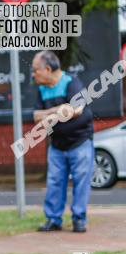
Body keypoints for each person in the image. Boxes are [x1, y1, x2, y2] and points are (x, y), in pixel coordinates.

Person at [31, 50, 93, 233]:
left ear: (48, 69)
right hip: (57, 145)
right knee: (55, 183)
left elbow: (77, 109)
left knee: (81, 182)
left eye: (36, 70)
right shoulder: (41, 89)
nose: (33, 74)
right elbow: (36, 116)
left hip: (79, 142)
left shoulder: (71, 82)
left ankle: (79, 219)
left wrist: (49, 112)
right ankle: (53, 219)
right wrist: (59, 109)